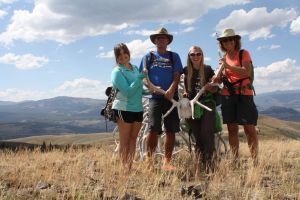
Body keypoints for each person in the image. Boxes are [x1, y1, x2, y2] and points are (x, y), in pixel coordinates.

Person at [139, 27, 183, 170]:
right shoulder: (148, 57)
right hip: (155, 97)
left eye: (163, 38)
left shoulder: (173, 56)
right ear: (155, 41)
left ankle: (167, 162)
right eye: (158, 38)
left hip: (171, 98)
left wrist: (171, 89)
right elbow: (143, 77)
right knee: (153, 128)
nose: (161, 40)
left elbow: (177, 74)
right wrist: (151, 86)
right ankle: (149, 161)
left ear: (167, 41)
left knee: (171, 130)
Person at [215, 29, 258, 166]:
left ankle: (255, 161)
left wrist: (226, 65)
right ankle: (235, 160)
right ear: (222, 43)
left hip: (244, 94)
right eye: (224, 40)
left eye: (230, 39)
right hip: (228, 95)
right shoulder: (224, 58)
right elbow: (223, 78)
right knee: (232, 129)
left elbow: (246, 71)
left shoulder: (243, 53)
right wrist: (218, 77)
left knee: (249, 128)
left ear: (235, 40)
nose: (228, 42)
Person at [183, 46, 219, 172]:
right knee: (197, 135)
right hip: (192, 105)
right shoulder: (186, 70)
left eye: (198, 54)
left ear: (202, 55)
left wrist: (212, 87)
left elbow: (216, 85)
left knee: (207, 133)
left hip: (206, 103)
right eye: (193, 54)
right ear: (189, 56)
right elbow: (184, 87)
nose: (196, 56)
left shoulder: (208, 69)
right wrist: (185, 94)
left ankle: (211, 165)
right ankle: (200, 164)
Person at [111, 43, 146, 171]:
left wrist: (150, 92)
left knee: (133, 140)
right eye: (118, 54)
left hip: (138, 108)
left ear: (128, 53)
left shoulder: (135, 68)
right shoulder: (116, 72)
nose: (122, 56)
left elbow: (138, 89)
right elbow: (127, 92)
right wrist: (139, 78)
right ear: (116, 57)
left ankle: (129, 167)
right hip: (124, 109)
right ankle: (124, 169)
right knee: (124, 141)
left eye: (124, 52)